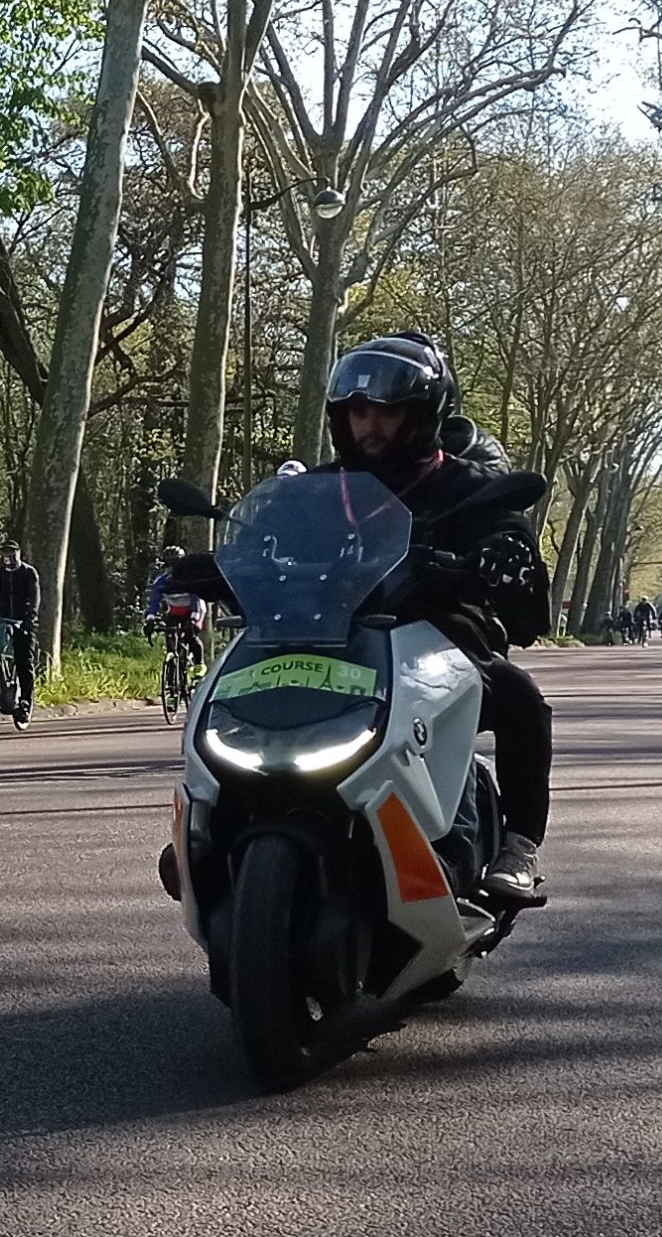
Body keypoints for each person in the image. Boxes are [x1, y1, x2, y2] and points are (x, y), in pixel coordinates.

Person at [216, 333, 555, 899]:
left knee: (522, 700)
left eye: (387, 412)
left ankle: (518, 845)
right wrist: (215, 567)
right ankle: (213, 822)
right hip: (318, 643)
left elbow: (516, 564)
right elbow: (256, 546)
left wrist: (504, 556)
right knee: (225, 692)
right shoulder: (312, 492)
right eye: (359, 411)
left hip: (437, 649)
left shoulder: (471, 489)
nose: (370, 425)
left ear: (422, 415)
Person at [0, 539, 40, 726]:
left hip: (23, 622)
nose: (9, 557)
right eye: (5, 553)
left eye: (12, 553)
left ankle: (25, 702)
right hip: (1, 621)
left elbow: (34, 598)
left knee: (24, 661)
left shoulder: (28, 573)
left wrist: (30, 619)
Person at [145, 546, 207, 677]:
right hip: (175, 611)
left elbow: (195, 600)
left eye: (176, 565)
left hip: (194, 610)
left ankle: (199, 664)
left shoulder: (190, 579)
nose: (172, 569)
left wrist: (193, 619)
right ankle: (173, 677)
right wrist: (150, 619)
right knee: (171, 642)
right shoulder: (160, 582)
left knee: (191, 635)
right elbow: (154, 602)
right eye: (168, 565)